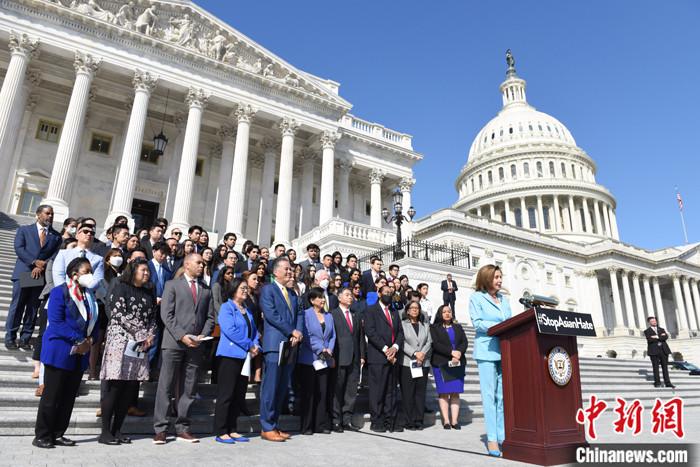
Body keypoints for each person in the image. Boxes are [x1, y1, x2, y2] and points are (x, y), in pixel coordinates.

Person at [33, 257, 99, 449]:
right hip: (60, 350)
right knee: (51, 397)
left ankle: (58, 433)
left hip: (80, 354)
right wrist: (79, 340)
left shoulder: (90, 296)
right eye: (86, 271)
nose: (90, 275)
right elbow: (56, 322)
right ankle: (42, 435)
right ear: (74, 274)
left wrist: (90, 340)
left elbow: (94, 322)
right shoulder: (59, 292)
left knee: (68, 397)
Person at [153, 253, 215, 444]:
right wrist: (182, 336)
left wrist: (202, 336)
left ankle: (183, 427)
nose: (202, 265)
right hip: (174, 343)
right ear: (187, 264)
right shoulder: (172, 285)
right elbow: (167, 315)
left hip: (196, 345)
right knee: (166, 386)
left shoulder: (206, 289)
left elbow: (211, 317)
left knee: (189, 388)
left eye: (203, 264)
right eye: (198, 262)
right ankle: (161, 429)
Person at [99, 259, 157, 445]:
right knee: (115, 387)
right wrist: (141, 334)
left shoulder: (149, 291)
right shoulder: (120, 286)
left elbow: (153, 318)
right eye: (143, 270)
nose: (146, 273)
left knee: (129, 388)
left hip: (140, 344)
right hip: (121, 341)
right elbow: (118, 314)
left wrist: (150, 336)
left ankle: (118, 430)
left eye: (148, 270)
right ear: (133, 270)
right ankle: (105, 432)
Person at [258, 257, 304, 442]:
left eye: (291, 269)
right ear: (276, 272)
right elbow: (272, 315)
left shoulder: (293, 294)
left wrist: (298, 332)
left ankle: (274, 425)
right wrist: (291, 330)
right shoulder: (268, 290)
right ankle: (266, 426)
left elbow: (299, 313)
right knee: (270, 387)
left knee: (282, 387)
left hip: (290, 346)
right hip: (275, 345)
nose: (290, 272)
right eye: (286, 269)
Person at [469, 264, 512, 457]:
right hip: (486, 350)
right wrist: (499, 325)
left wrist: (506, 326)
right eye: (496, 277)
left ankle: (503, 436)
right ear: (487, 279)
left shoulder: (504, 299)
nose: (500, 280)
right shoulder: (476, 298)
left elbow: (510, 321)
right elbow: (477, 323)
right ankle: (492, 439)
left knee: (502, 397)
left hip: (505, 350)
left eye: (500, 277)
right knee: (489, 397)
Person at [5, 205, 61, 351]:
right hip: (25, 272)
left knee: (32, 307)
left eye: (52, 213)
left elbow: (55, 254)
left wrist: (42, 265)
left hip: (40, 274)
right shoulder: (24, 230)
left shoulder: (56, 236)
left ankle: (25, 338)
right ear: (38, 214)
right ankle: (10, 337)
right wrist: (34, 262)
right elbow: (19, 248)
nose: (50, 216)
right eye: (47, 213)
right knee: (17, 306)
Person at [214, 278, 260, 444]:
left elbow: (254, 331)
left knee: (238, 394)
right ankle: (221, 430)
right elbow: (230, 330)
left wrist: (256, 345)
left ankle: (232, 429)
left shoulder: (246, 309)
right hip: (230, 356)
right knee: (226, 394)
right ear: (233, 289)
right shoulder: (227, 307)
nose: (245, 290)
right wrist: (249, 345)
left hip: (244, 356)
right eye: (242, 288)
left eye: (247, 288)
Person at [32, 237, 78, 394]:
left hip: (73, 307)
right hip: (55, 302)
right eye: (72, 247)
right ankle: (43, 381)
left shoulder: (80, 267)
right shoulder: (57, 260)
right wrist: (65, 295)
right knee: (48, 342)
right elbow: (53, 281)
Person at [364, 284, 404, 433]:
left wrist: (395, 347)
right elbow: (370, 331)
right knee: (377, 391)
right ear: (379, 293)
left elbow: (400, 332)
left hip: (393, 356)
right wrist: (386, 349)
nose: (388, 294)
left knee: (391, 390)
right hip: (378, 356)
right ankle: (377, 420)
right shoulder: (371, 310)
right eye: (385, 292)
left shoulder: (394, 311)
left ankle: (390, 420)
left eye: (390, 292)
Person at [298, 287, 336, 435]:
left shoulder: (329, 316)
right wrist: (320, 349)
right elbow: (306, 335)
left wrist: (329, 350)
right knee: (309, 393)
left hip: (324, 360)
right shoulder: (306, 314)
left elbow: (333, 335)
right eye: (319, 297)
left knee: (322, 392)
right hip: (309, 359)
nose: (322, 299)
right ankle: (306, 426)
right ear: (312, 300)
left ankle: (319, 425)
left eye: (323, 297)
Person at [330, 287, 365, 432]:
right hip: (339, 358)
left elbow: (360, 337)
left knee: (351, 391)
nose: (350, 297)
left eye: (351, 295)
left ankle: (347, 419)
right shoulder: (333, 314)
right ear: (339, 298)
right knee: (337, 390)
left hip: (355, 359)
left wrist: (362, 355)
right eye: (347, 295)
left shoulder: (356, 315)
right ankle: (336, 420)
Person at [430, 304, 468, 430]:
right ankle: (446, 421)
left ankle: (454, 421)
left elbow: (464, 342)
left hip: (457, 362)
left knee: (455, 392)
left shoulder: (458, 327)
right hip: (441, 363)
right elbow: (435, 344)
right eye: (444, 312)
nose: (447, 314)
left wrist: (459, 353)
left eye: (449, 311)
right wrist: (450, 352)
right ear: (440, 314)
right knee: (444, 393)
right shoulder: (434, 328)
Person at [400, 301, 432, 431]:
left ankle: (419, 420)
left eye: (417, 308)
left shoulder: (425, 325)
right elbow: (401, 341)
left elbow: (429, 341)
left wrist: (422, 354)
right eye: (412, 308)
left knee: (420, 393)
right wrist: (414, 353)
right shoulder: (402, 325)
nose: (414, 310)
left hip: (422, 363)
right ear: (407, 311)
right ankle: (409, 421)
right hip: (408, 363)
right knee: (408, 393)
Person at [53, 220, 104, 290]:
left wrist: (80, 292)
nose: (89, 234)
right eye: (85, 232)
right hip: (64, 293)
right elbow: (58, 276)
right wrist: (66, 292)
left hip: (85, 295)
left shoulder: (98, 259)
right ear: (77, 235)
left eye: (92, 233)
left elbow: (97, 280)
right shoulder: (63, 254)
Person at [644, 316, 675, 389]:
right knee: (655, 367)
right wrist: (660, 336)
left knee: (665, 368)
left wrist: (656, 337)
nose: (654, 322)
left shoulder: (661, 329)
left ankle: (668, 383)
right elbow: (649, 340)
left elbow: (665, 337)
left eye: (655, 321)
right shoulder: (647, 331)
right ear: (649, 323)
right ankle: (657, 383)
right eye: (652, 321)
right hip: (654, 351)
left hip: (663, 350)